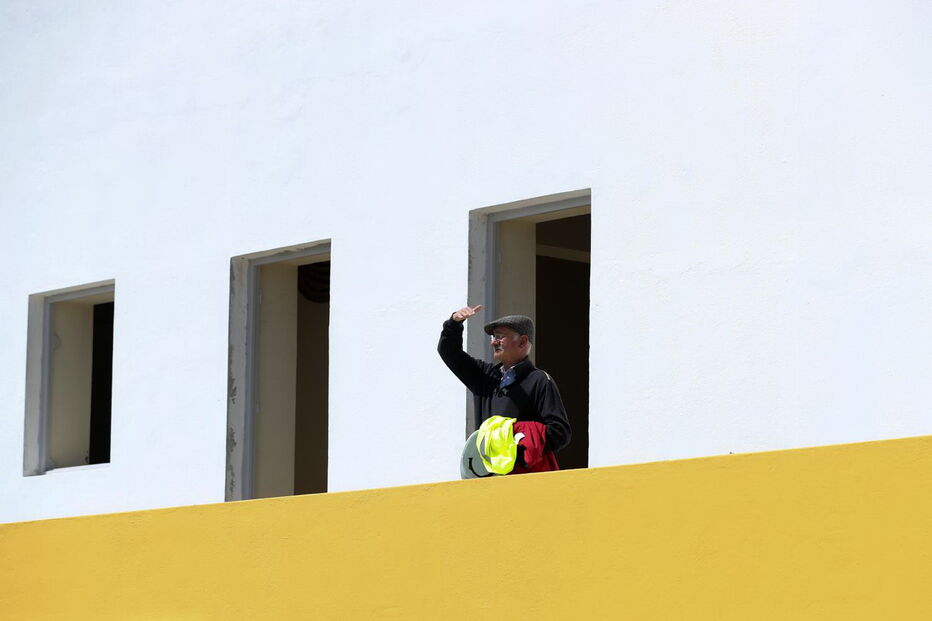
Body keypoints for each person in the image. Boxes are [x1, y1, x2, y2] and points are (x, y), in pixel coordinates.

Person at [438, 304, 571, 473]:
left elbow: (560, 432)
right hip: (488, 477)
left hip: (522, 479)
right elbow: (449, 352)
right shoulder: (485, 376)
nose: (494, 341)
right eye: (493, 337)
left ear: (522, 341)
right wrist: (454, 323)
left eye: (500, 337)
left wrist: (515, 445)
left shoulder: (540, 381)